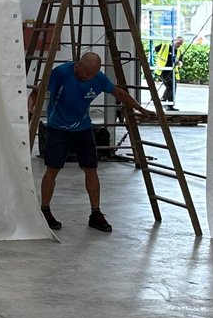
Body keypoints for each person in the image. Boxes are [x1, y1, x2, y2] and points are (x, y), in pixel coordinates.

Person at [39, 51, 151, 234]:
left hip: (82, 127)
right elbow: (40, 89)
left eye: (91, 75)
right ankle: (44, 210)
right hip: (58, 127)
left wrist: (139, 108)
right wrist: (29, 107)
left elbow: (118, 92)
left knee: (91, 169)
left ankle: (96, 213)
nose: (87, 78)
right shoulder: (61, 73)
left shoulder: (98, 78)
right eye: (85, 73)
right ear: (77, 65)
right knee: (53, 169)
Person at [153, 36, 183, 110]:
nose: (179, 45)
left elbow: (181, 63)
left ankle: (170, 105)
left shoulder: (179, 51)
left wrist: (178, 62)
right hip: (163, 70)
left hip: (172, 71)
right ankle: (163, 100)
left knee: (174, 87)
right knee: (170, 85)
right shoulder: (164, 46)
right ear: (174, 40)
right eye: (178, 43)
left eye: (181, 44)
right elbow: (154, 50)